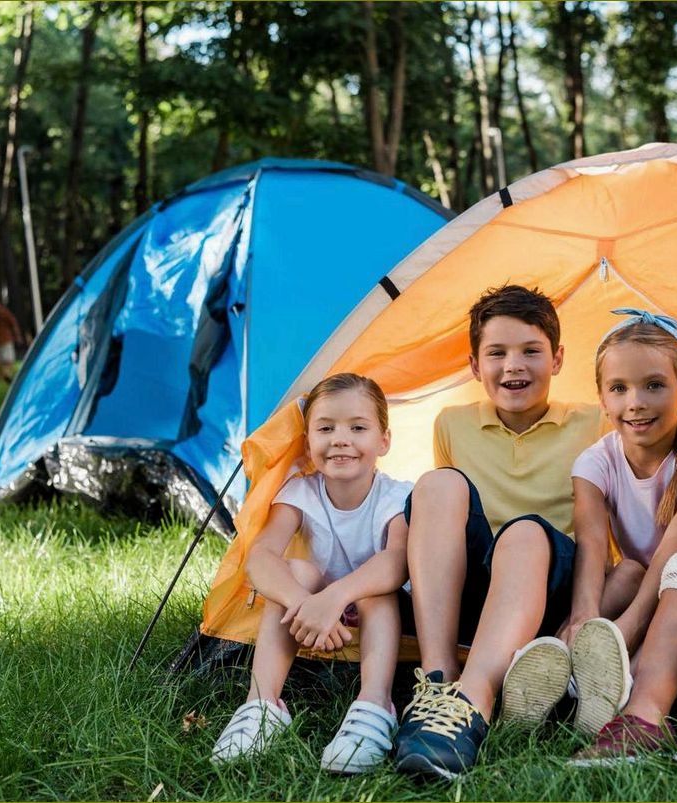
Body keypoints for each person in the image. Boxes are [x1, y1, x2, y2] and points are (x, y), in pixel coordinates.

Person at [392, 285, 602, 779]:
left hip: (548, 585)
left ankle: (474, 700)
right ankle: (437, 682)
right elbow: (448, 525)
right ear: (473, 365)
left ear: (557, 359)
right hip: (479, 589)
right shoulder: (452, 424)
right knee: (438, 484)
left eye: (531, 351)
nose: (513, 366)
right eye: (497, 353)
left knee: (524, 532)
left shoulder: (595, 422)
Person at [519, 309, 677, 752]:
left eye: (654, 386)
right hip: (645, 580)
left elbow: (674, 552)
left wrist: (624, 628)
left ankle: (616, 679)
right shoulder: (595, 461)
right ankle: (561, 662)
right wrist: (583, 620)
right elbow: (591, 545)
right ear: (602, 400)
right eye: (619, 388)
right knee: (625, 571)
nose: (636, 402)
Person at [210, 373, 412, 774]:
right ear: (307, 443)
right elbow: (261, 557)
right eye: (326, 428)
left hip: (378, 611)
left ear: (384, 441)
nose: (340, 439)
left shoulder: (397, 495)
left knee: (375, 588)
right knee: (296, 571)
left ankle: (375, 705)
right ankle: (261, 706)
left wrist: (334, 599)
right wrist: (305, 603)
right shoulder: (299, 492)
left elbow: (396, 562)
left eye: (358, 428)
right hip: (314, 611)